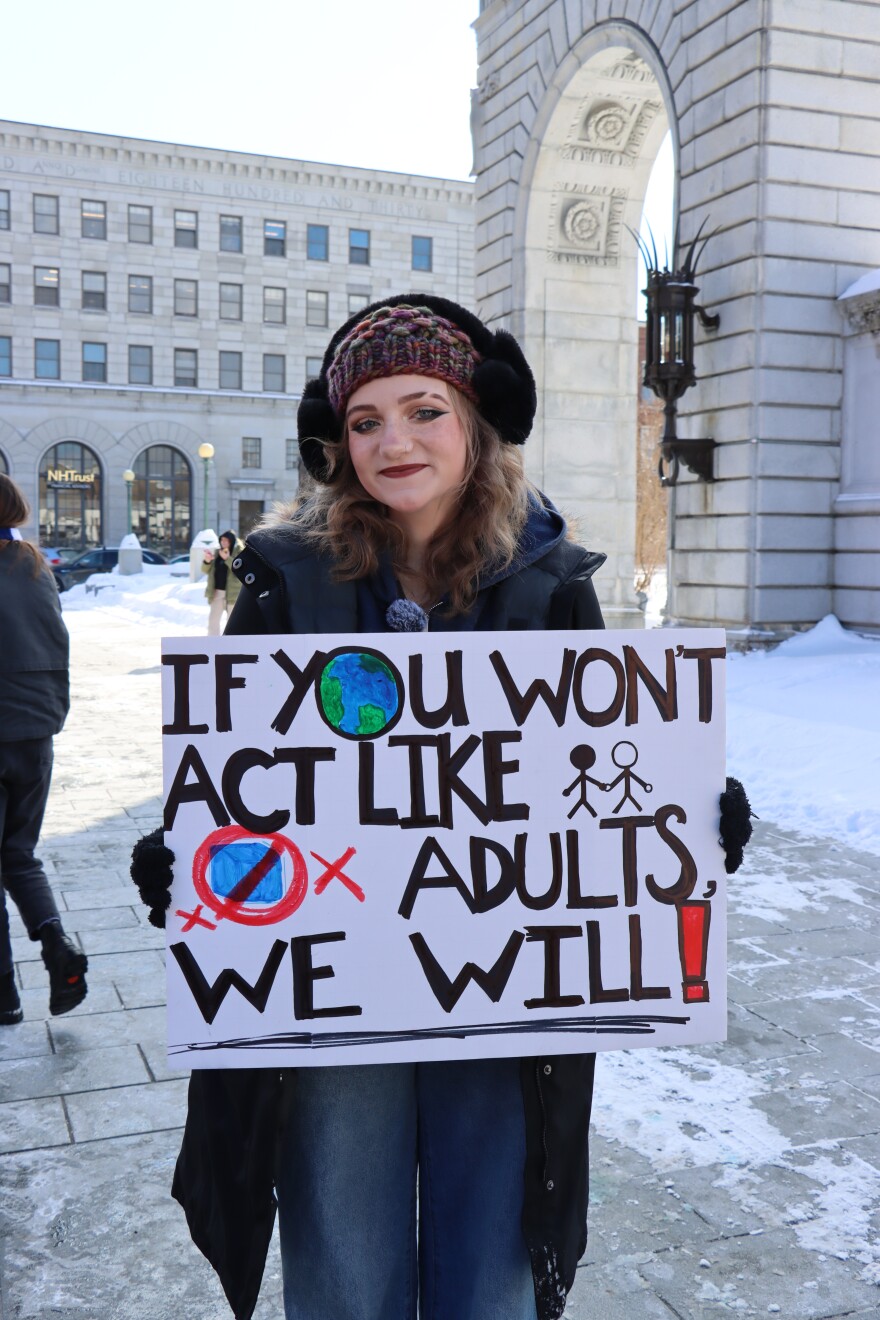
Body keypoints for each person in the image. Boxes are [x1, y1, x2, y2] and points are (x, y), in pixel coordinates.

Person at [131, 296, 753, 1320]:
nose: (393, 440)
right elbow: (239, 776)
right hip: (332, 1001)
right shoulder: (282, 581)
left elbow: (605, 769)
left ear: (475, 424)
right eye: (365, 420)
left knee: (488, 1263)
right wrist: (188, 858)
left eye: (423, 409)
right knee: (344, 1256)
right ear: (337, 444)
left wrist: (685, 816)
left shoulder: (551, 582)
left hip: (501, 1003)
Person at [0, 474, 88, 1024]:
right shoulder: (34, 566)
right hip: (35, 730)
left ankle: (4, 997)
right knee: (17, 854)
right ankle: (57, 946)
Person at [202, 529, 244, 635]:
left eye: (226, 541)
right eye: (222, 540)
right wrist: (207, 561)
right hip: (217, 593)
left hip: (233, 594)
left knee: (232, 624)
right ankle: (212, 646)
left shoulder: (240, 552)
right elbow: (205, 570)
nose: (223, 543)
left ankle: (231, 646)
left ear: (232, 541)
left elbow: (241, 571)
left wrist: (227, 558)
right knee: (213, 622)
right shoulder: (217, 552)